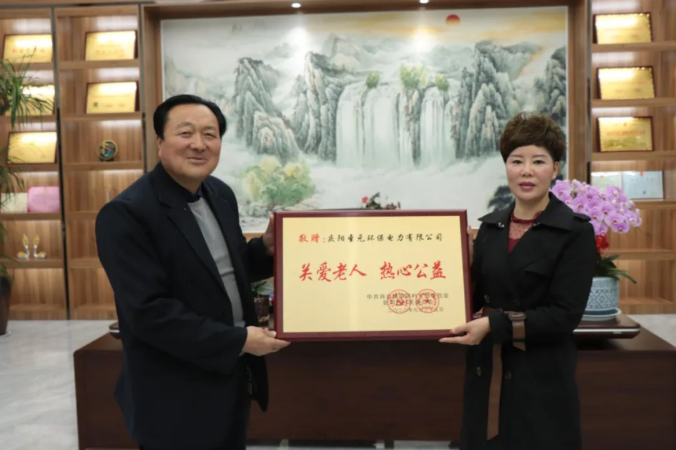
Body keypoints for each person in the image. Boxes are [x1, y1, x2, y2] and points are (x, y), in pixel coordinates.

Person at [95, 94, 289, 450]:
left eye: (210, 134)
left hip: (230, 375)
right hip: (173, 391)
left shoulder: (219, 194)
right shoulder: (127, 214)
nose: (199, 144)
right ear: (160, 141)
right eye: (185, 133)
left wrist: (265, 248)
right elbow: (149, 313)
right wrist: (238, 340)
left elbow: (226, 269)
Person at [440, 112, 597, 450]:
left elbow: (564, 315)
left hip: (541, 376)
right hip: (487, 371)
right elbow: (473, 300)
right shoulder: (489, 228)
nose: (526, 171)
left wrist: (492, 325)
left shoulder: (575, 232)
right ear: (506, 167)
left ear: (555, 168)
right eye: (517, 161)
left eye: (538, 161)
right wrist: (464, 267)